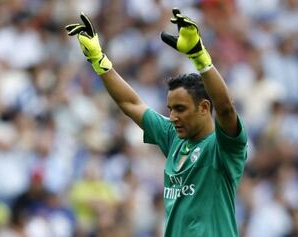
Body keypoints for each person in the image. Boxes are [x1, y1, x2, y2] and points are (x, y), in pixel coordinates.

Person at [65, 8, 248, 237]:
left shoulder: (224, 148)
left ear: (204, 108)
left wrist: (200, 58)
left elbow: (226, 108)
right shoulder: (173, 137)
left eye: (180, 109)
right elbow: (131, 103)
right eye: (170, 109)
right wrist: (98, 60)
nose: (172, 117)